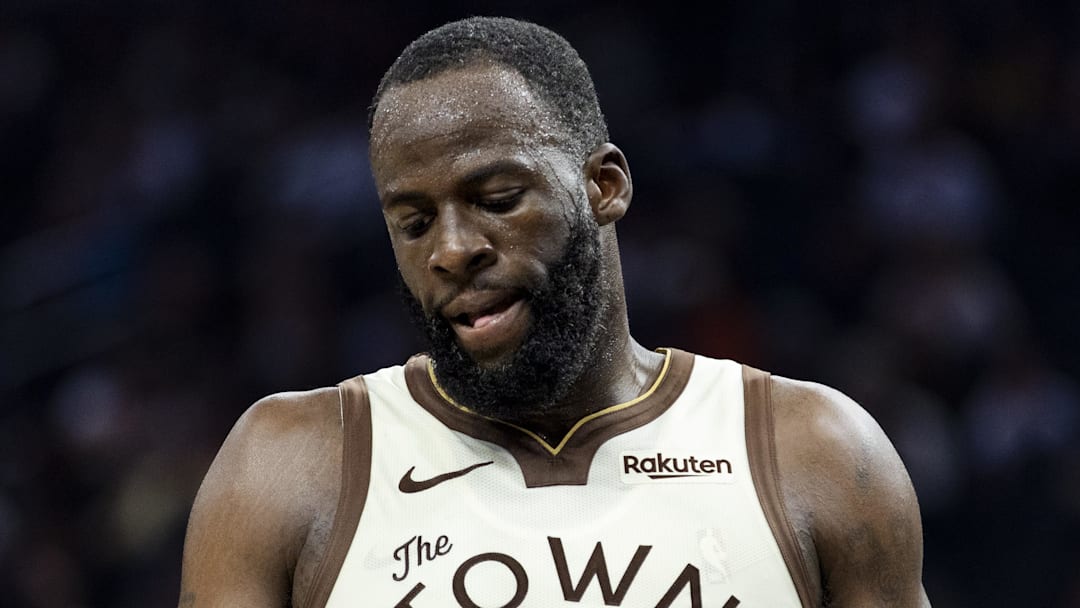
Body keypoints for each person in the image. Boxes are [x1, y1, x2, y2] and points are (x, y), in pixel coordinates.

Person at [179, 17, 931, 608]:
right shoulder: (288, 467)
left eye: (498, 200)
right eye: (413, 223)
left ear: (603, 186)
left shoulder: (816, 453)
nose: (452, 250)